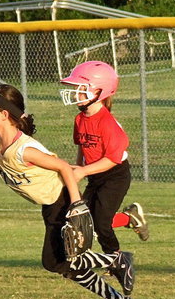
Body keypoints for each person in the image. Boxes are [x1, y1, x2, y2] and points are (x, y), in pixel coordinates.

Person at [0, 84, 135, 299]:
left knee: (59, 261)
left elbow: (64, 168)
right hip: (51, 205)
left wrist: (76, 206)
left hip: (63, 200)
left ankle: (117, 261)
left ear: (4, 115)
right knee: (59, 263)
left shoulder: (23, 149)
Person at [59, 60, 149, 284]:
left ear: (99, 91)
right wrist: (78, 168)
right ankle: (129, 218)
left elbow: (112, 159)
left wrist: (82, 171)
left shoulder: (106, 122)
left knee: (101, 223)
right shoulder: (80, 119)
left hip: (115, 175)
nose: (76, 93)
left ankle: (117, 261)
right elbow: (82, 145)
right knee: (83, 220)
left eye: (81, 89)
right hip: (94, 175)